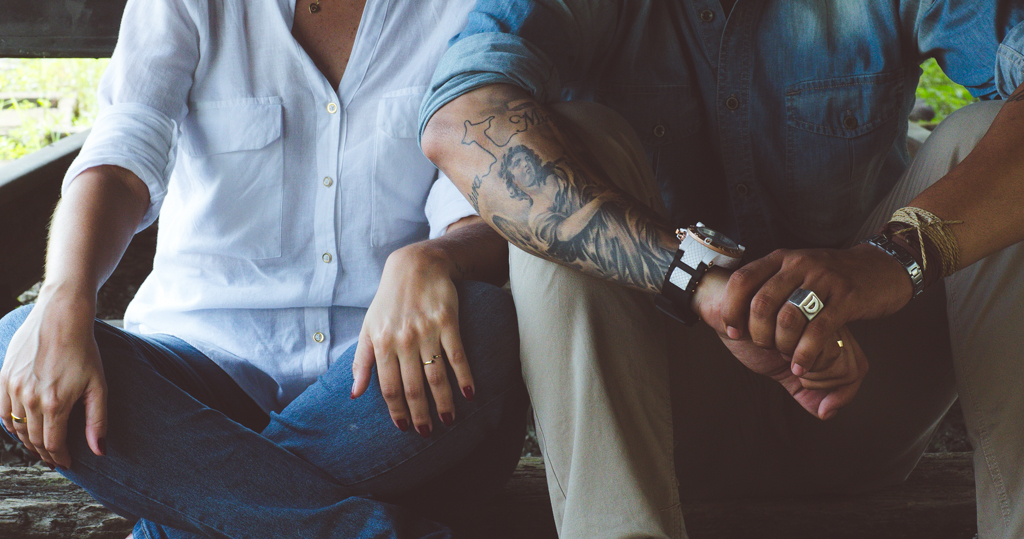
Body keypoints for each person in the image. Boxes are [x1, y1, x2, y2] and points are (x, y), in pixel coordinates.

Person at [418, 1, 1024, 538]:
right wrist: (699, 282)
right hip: (666, 417)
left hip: (859, 386)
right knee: (563, 158)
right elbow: (460, 117)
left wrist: (889, 261)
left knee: (989, 141)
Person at [0, 0, 528, 537]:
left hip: (381, 388)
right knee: (20, 336)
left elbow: (489, 199)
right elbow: (121, 158)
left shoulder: (467, 10)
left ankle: (204, 507)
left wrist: (434, 256)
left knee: (483, 320)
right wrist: (64, 295)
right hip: (196, 384)